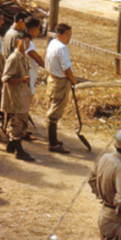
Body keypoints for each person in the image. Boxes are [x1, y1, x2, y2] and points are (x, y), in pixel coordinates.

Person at [1, 31, 35, 161]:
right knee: (17, 124)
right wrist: (21, 80)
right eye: (24, 41)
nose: (26, 44)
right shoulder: (14, 58)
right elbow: (5, 78)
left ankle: (11, 146)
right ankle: (19, 151)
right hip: (15, 98)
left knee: (21, 121)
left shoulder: (23, 56)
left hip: (23, 96)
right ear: (17, 42)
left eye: (28, 42)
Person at [45, 23, 77, 154]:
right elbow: (67, 69)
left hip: (52, 79)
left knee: (52, 108)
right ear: (59, 35)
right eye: (67, 35)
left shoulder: (53, 43)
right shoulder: (62, 48)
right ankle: (53, 144)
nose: (69, 38)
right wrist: (73, 80)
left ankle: (53, 141)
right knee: (54, 113)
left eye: (70, 35)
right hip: (60, 82)